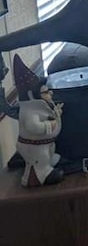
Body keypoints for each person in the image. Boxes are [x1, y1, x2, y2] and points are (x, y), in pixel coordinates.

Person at [12, 54, 64, 187]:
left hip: (44, 143)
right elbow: (32, 127)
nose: (50, 94)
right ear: (31, 95)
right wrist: (49, 125)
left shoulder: (40, 107)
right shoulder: (29, 111)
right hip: (34, 147)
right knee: (39, 160)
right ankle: (40, 176)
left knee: (48, 154)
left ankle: (49, 163)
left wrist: (56, 113)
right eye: (45, 92)